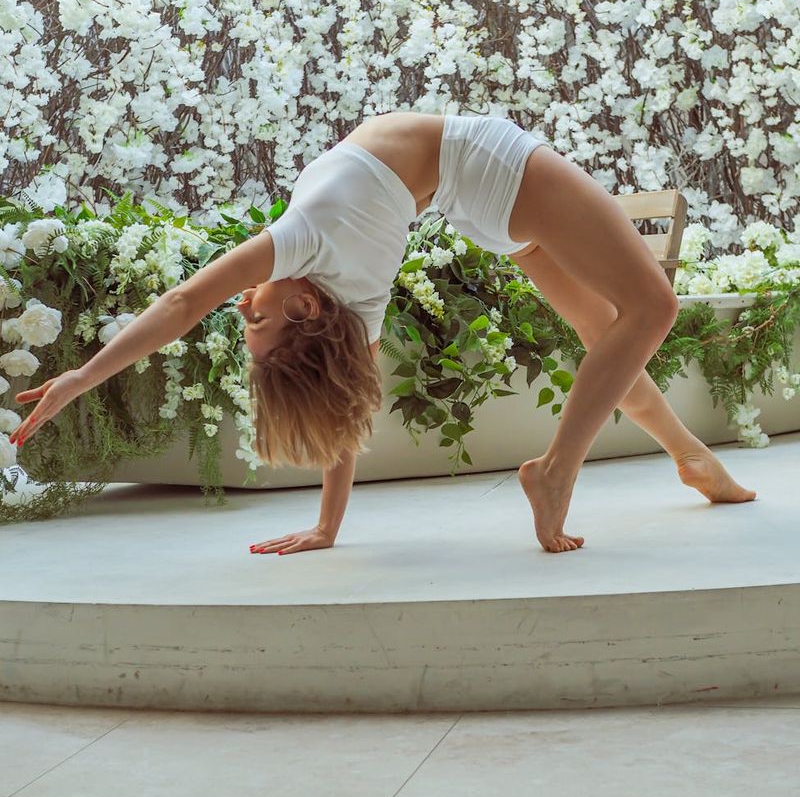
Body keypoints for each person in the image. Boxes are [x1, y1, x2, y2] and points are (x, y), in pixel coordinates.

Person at [9, 111, 756, 555]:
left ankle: (691, 458)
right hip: (491, 167)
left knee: (605, 331)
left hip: (485, 216)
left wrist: (329, 528)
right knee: (651, 310)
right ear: (301, 312)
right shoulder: (299, 244)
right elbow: (180, 304)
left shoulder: (353, 308)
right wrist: (78, 378)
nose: (241, 308)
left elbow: (347, 414)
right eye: (257, 319)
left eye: (246, 324)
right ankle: (558, 469)